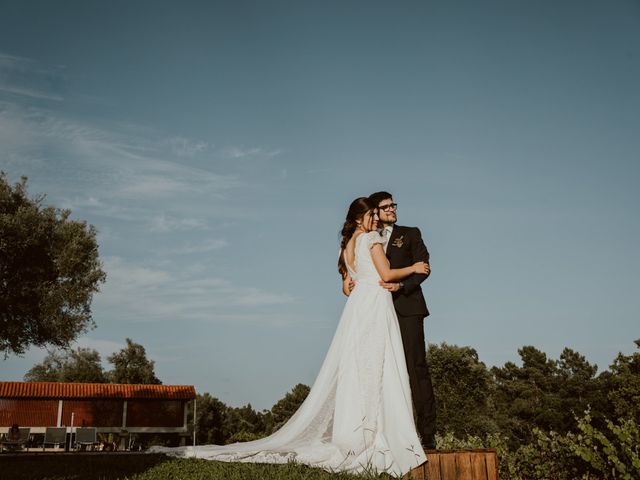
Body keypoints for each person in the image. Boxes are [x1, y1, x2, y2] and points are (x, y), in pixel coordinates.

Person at [151, 197, 430, 476]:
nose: (375, 219)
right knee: (380, 365)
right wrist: (414, 269)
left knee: (360, 368)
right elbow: (386, 272)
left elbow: (347, 285)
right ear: (361, 218)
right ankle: (377, 432)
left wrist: (354, 282)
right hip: (375, 303)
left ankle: (359, 433)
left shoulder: (345, 246)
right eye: (371, 214)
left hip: (358, 307)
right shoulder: (370, 239)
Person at [367, 191, 437, 449]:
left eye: (393, 205)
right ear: (375, 211)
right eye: (385, 207)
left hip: (408, 307)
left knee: (415, 367)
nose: (392, 209)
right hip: (377, 311)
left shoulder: (410, 233)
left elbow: (424, 267)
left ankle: (427, 433)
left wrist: (402, 286)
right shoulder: (367, 238)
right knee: (380, 369)